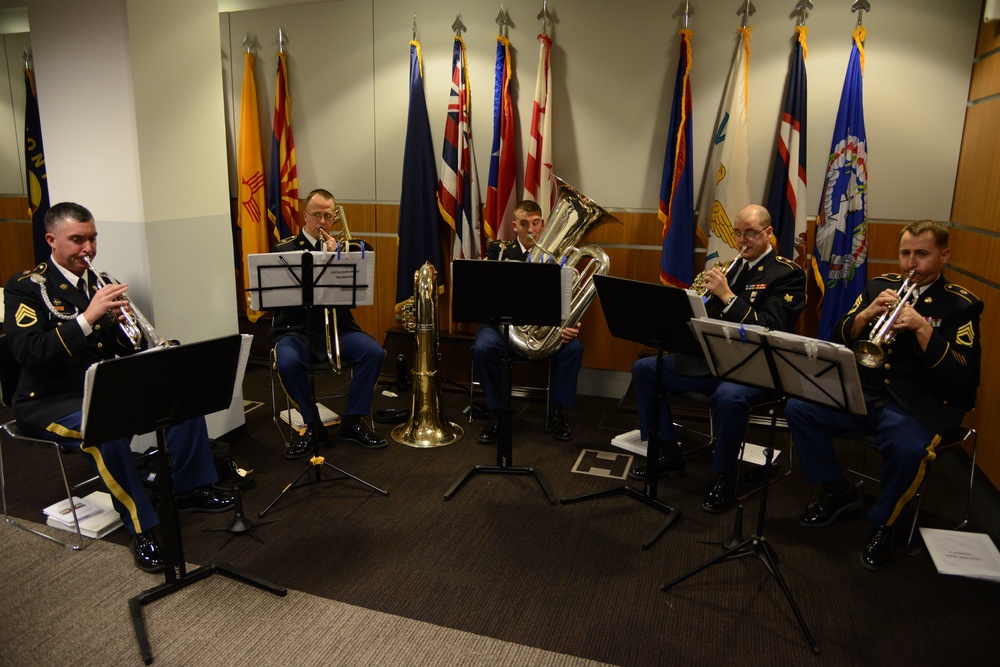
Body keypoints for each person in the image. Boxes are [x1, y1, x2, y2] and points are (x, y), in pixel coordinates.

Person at [3, 202, 235, 573]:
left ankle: (190, 486)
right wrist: (88, 318)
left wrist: (124, 325)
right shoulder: (28, 287)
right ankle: (142, 527)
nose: (88, 249)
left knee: (181, 398)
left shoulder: (98, 282)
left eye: (93, 238)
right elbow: (28, 353)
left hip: (102, 387)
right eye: (77, 240)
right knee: (105, 430)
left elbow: (121, 347)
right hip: (47, 402)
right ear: (52, 240)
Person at [786, 220, 981, 570]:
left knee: (908, 450)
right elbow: (839, 334)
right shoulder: (880, 285)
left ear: (944, 255)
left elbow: (961, 374)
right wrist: (865, 314)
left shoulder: (961, 306)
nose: (910, 263)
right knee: (801, 408)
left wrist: (922, 327)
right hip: (869, 394)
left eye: (922, 254)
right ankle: (838, 491)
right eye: (905, 253)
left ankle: (884, 524)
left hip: (920, 404)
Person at [628, 204, 806, 513]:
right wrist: (693, 305)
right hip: (715, 361)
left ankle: (724, 475)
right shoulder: (730, 268)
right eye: (737, 233)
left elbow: (772, 326)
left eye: (750, 233)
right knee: (645, 369)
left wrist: (728, 297)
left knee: (728, 397)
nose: (742, 241)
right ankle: (667, 453)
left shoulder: (788, 274)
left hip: (758, 369)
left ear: (768, 233)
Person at [269, 188, 386, 457]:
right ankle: (313, 424)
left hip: (337, 328)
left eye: (328, 216)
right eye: (317, 215)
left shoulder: (345, 250)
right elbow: (279, 301)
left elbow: (352, 295)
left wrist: (336, 260)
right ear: (305, 216)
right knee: (286, 361)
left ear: (335, 217)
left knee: (373, 352)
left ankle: (353, 421)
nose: (322, 222)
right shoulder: (284, 249)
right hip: (296, 331)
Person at [471, 200, 583, 443]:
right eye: (524, 224)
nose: (531, 229)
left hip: (542, 328)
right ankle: (498, 412)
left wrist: (571, 324)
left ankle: (556, 412)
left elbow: (569, 299)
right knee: (482, 348)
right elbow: (487, 295)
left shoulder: (560, 256)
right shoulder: (498, 251)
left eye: (535, 223)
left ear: (543, 224)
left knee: (573, 348)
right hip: (501, 326)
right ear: (515, 226)